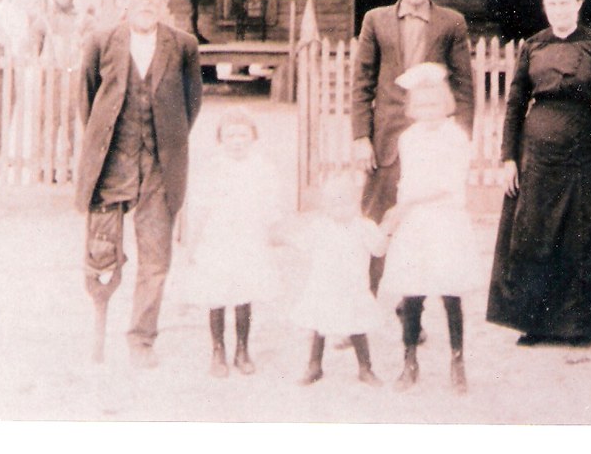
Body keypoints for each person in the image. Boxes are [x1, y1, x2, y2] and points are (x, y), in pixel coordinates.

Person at [75, 0, 203, 369]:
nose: (147, 4)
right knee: (101, 254)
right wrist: (107, 147)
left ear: (166, 2)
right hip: (113, 165)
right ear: (125, 0)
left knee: (155, 261)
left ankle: (141, 340)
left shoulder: (183, 46)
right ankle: (97, 333)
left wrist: (166, 142)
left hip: (160, 169)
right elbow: (88, 102)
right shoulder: (100, 41)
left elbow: (190, 105)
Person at [486, 0, 591, 347]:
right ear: (544, 7)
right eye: (552, 3)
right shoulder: (533, 46)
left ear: (578, 4)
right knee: (535, 230)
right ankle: (534, 322)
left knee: (581, 232)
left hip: (585, 149)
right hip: (538, 151)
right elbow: (515, 104)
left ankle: (582, 325)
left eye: (565, 2)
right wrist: (507, 158)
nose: (558, 10)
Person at [350, 0, 475, 298]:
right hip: (386, 137)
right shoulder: (376, 20)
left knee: (420, 222)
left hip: (432, 137)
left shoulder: (452, 23)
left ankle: (410, 311)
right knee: (376, 221)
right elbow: (362, 82)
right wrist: (361, 136)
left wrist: (460, 137)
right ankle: (365, 300)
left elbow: (464, 85)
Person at [379, 62, 482, 393]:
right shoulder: (408, 138)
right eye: (421, 105)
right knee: (412, 291)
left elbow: (447, 184)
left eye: (434, 104)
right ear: (412, 107)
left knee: (450, 292)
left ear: (446, 103)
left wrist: (407, 205)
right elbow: (407, 180)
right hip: (415, 223)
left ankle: (458, 361)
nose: (428, 111)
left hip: (445, 218)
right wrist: (398, 210)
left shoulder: (455, 137)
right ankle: (409, 361)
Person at [179, 108, 282, 378]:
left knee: (244, 295)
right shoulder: (212, 168)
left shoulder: (262, 167)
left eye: (243, 135)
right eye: (230, 135)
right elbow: (199, 209)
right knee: (216, 295)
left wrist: (273, 235)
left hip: (248, 240)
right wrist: (192, 245)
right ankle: (218, 350)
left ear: (253, 137)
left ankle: (242, 349)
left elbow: (271, 206)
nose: (237, 141)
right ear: (220, 139)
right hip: (217, 240)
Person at [289, 171, 395, 387]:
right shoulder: (320, 226)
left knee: (357, 326)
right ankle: (314, 365)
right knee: (319, 326)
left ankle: (365, 368)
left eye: (346, 203)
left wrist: (386, 231)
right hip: (324, 288)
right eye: (333, 205)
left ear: (356, 202)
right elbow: (302, 244)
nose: (340, 210)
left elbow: (378, 250)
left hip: (353, 288)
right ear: (325, 206)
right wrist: (287, 235)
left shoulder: (364, 227)